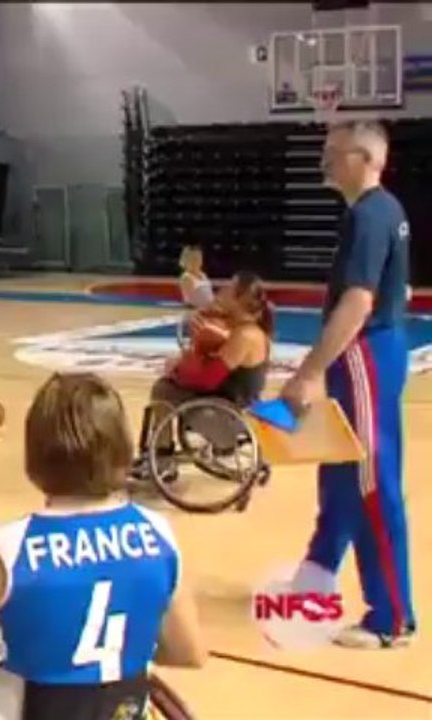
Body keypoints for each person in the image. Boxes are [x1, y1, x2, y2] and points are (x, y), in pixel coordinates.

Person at [0, 373, 207, 720]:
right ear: (122, 450)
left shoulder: (2, 552)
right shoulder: (158, 534)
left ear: (34, 456)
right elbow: (189, 653)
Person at [281, 120, 415, 649]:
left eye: (332, 154)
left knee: (369, 482)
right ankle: (314, 582)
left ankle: (391, 617)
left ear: (364, 158)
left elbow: (358, 302)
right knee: (340, 477)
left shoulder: (369, 215)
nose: (324, 163)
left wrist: (310, 371)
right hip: (375, 353)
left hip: (365, 355)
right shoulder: (385, 211)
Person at [135, 271, 274, 468]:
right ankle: (161, 454)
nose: (221, 291)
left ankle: (162, 459)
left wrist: (178, 370)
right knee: (168, 386)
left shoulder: (245, 337)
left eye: (228, 289)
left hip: (226, 420)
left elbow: (206, 380)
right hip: (233, 410)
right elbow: (207, 315)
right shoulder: (246, 329)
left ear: (239, 299)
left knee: (163, 390)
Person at [178, 245, 214, 310]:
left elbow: (208, 296)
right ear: (185, 261)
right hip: (194, 313)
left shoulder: (203, 275)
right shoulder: (186, 277)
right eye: (193, 259)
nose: (196, 261)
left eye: (199, 258)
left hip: (207, 311)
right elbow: (189, 302)